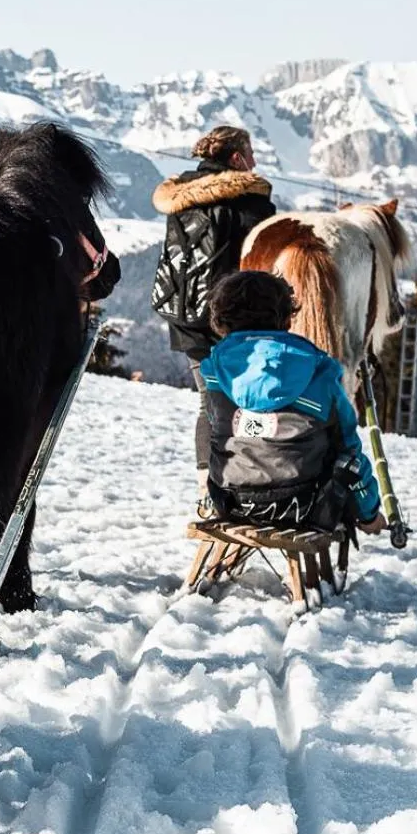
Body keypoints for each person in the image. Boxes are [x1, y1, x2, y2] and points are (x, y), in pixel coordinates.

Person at [198, 270, 384, 534]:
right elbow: (349, 450)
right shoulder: (320, 368)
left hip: (229, 501)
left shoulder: (214, 369)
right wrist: (369, 513)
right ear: (286, 318)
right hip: (305, 506)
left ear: (221, 320)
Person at [150, 126, 275, 471]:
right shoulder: (249, 201)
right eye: (250, 155)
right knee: (247, 401)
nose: (254, 163)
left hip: (185, 312)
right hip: (231, 316)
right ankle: (242, 476)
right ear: (236, 158)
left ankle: (208, 482)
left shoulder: (181, 195)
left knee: (211, 400)